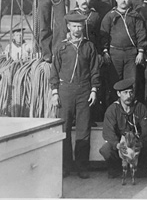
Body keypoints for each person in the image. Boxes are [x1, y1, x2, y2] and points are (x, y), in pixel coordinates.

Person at [50, 14, 100, 179]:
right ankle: (65, 166)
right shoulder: (61, 47)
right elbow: (54, 71)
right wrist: (55, 92)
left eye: (80, 26)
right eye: (74, 26)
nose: (77, 29)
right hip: (65, 91)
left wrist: (94, 90)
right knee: (63, 130)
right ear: (69, 27)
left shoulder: (89, 47)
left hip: (84, 90)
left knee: (83, 130)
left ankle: (82, 167)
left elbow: (94, 70)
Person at [100, 0, 147, 104]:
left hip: (131, 54)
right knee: (114, 82)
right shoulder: (110, 16)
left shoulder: (135, 15)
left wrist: (141, 51)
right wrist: (105, 51)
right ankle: (114, 110)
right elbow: (103, 35)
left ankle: (130, 108)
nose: (124, 1)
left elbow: (141, 33)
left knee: (131, 82)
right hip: (114, 54)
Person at [99, 78, 147, 178]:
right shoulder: (112, 110)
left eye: (131, 92)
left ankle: (141, 168)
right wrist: (118, 145)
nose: (129, 96)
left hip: (137, 143)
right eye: (125, 93)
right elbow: (108, 132)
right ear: (119, 94)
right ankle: (116, 169)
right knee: (105, 149)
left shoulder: (140, 108)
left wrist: (140, 142)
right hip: (120, 144)